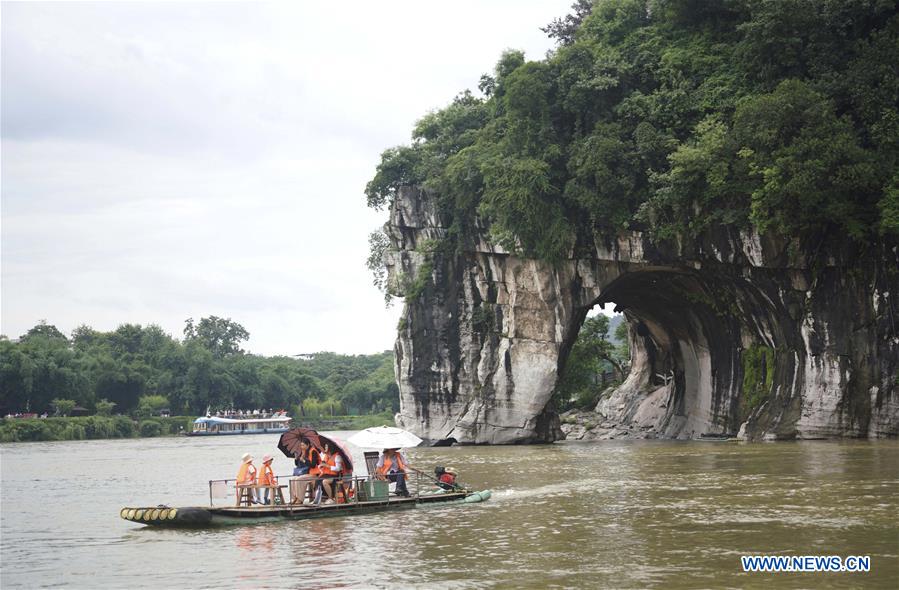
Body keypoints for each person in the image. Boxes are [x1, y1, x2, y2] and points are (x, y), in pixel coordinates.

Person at [289, 439, 320, 504]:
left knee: (298, 479)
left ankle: (300, 499)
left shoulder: (313, 451)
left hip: (315, 474)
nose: (301, 447)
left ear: (308, 445)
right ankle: (294, 498)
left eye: (303, 445)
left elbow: (313, 465)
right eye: (301, 445)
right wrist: (296, 458)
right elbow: (298, 464)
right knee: (292, 479)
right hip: (307, 473)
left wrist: (304, 460)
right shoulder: (303, 452)